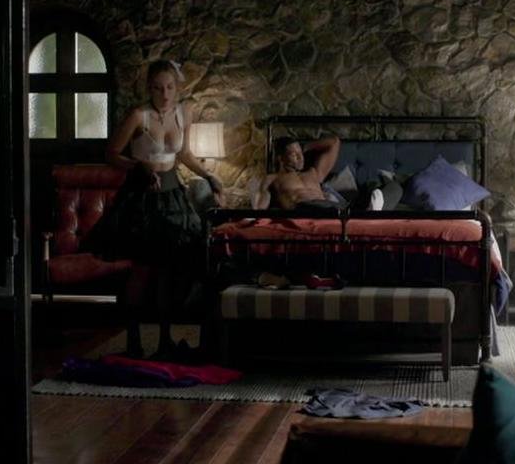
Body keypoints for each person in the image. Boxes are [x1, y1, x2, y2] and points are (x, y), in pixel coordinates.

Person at [82, 60, 225, 358]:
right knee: (142, 269)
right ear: (149, 88)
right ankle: (133, 341)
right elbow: (111, 153)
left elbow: (184, 153)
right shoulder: (139, 115)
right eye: (158, 88)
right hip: (142, 196)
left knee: (168, 270)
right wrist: (140, 166)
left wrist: (209, 176)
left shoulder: (183, 112)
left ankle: (164, 341)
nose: (165, 94)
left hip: (172, 194)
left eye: (170, 87)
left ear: (177, 87)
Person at [253, 135, 342, 210]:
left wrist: (305, 147)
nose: (300, 158)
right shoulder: (273, 178)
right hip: (302, 208)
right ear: (280, 158)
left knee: (344, 208)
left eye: (301, 153)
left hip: (328, 208)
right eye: (294, 154)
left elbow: (334, 142)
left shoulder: (313, 173)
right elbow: (260, 204)